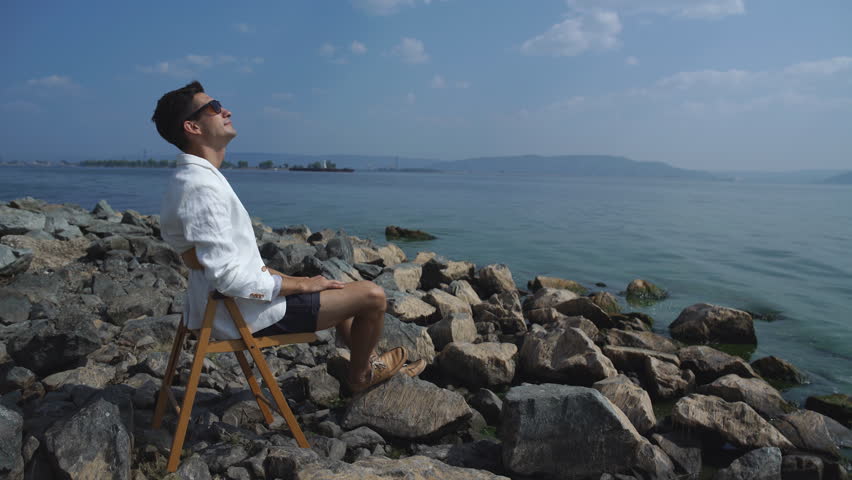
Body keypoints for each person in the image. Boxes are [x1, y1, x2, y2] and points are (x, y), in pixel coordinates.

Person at [152, 81, 424, 393]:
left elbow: (220, 262)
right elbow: (227, 277)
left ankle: (370, 361)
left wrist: (297, 280)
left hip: (222, 304)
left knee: (336, 286)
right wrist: (300, 285)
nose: (226, 111)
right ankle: (361, 377)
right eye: (214, 108)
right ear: (193, 127)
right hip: (243, 313)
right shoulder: (202, 187)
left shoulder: (190, 178)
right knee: (373, 297)